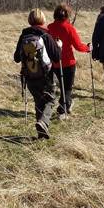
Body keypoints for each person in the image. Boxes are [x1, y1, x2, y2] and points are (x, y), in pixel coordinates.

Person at [14, 9, 62, 139]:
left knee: (38, 101)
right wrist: (59, 46)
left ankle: (41, 132)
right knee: (50, 99)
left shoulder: (24, 36)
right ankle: (43, 122)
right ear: (43, 19)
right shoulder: (46, 35)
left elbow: (16, 58)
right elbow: (57, 57)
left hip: (29, 75)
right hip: (46, 76)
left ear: (30, 20)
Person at [47, 3, 91, 118]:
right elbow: (78, 46)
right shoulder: (69, 28)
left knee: (62, 86)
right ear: (67, 15)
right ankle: (63, 109)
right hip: (68, 63)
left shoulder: (50, 28)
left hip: (55, 63)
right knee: (67, 88)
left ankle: (67, 104)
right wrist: (88, 48)